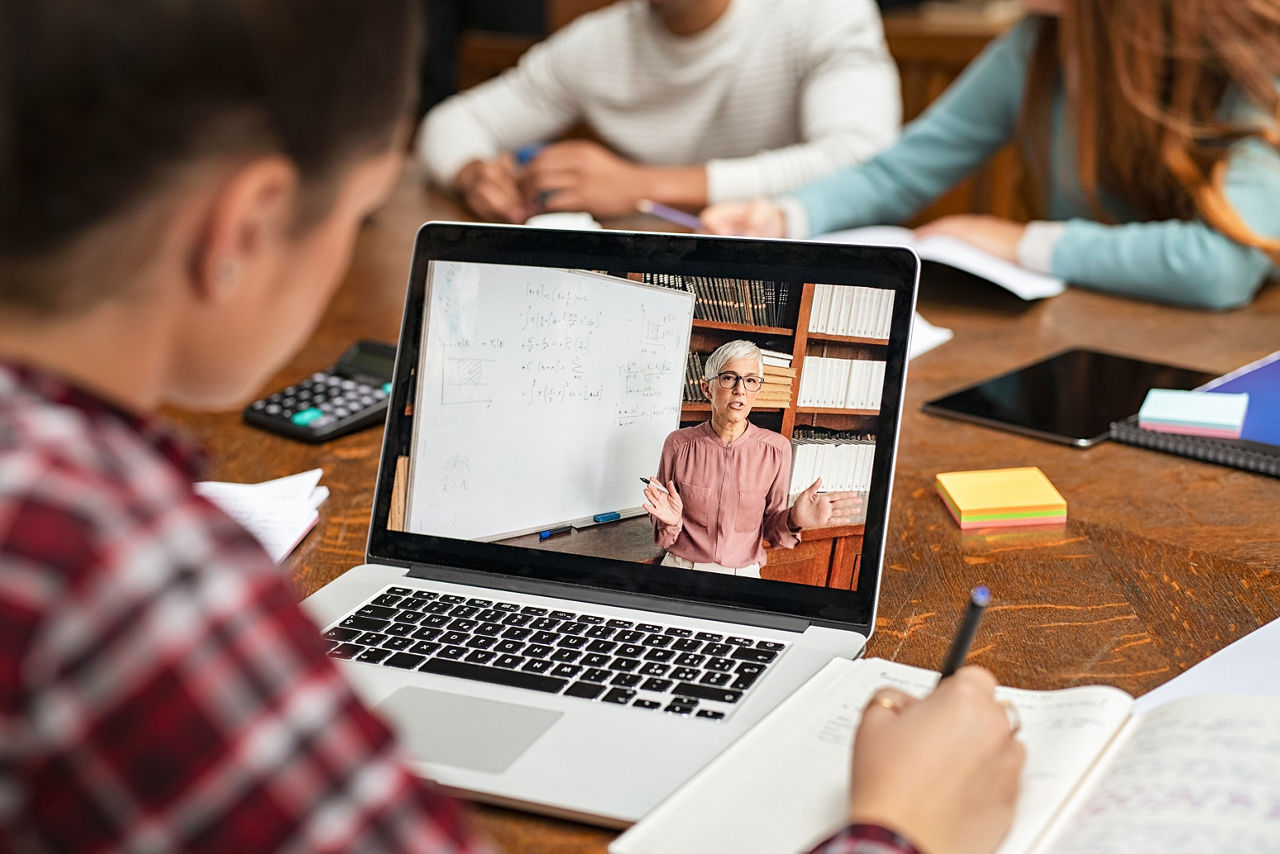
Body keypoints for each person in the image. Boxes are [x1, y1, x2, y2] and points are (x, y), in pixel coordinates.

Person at [0, 3, 1021, 851]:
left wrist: (788, 519)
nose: (737, 399)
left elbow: (775, 535)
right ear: (242, 232)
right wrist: (905, 826)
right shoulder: (129, 580)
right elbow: (663, 537)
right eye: (359, 212)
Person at [701, 0, 1280, 311]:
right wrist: (784, 216)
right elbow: (902, 169)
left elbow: (1223, 266)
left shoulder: (1250, 53)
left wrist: (1022, 242)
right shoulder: (1037, 44)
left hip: (1215, 367)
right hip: (1080, 330)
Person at [417, 0, 901, 223]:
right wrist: (474, 174)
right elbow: (451, 122)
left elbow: (864, 160)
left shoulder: (824, 13)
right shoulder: (598, 42)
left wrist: (640, 186)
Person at [644, 340, 860, 578]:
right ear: (707, 389)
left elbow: (771, 529)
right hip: (681, 567)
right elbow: (663, 533)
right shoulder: (677, 444)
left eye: (750, 380)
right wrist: (671, 521)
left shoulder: (777, 449)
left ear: (757, 389)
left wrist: (794, 519)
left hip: (744, 574)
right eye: (728, 378)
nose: (740, 390)